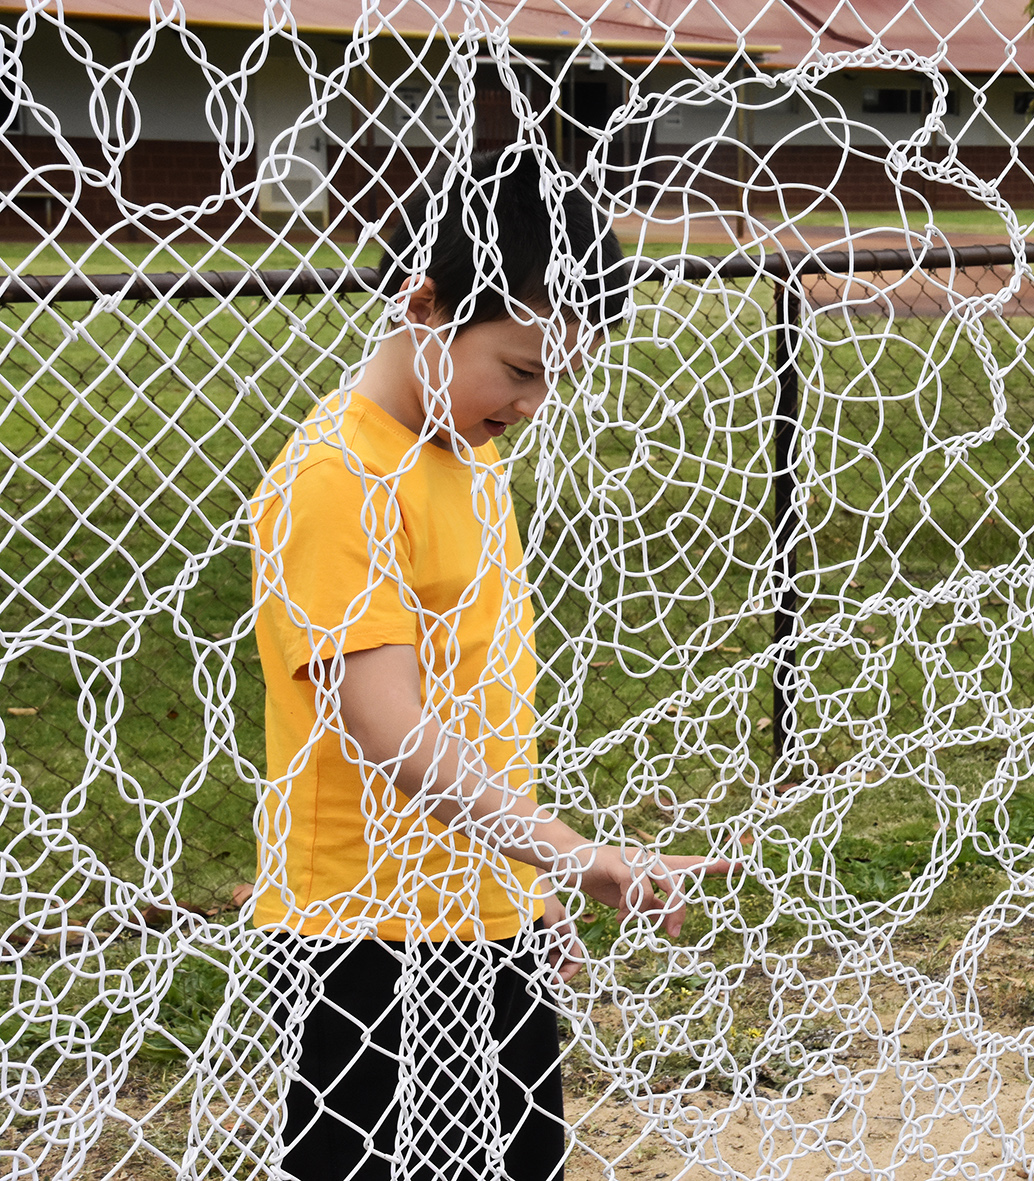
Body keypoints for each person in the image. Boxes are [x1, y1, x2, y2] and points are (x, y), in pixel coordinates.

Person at [248, 148, 729, 1181]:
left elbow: (475, 704)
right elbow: (387, 719)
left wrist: (524, 885)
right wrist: (574, 854)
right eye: (518, 368)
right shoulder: (336, 479)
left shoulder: (466, 448)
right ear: (426, 303)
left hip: (483, 908)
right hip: (364, 938)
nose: (533, 402)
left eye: (559, 376)